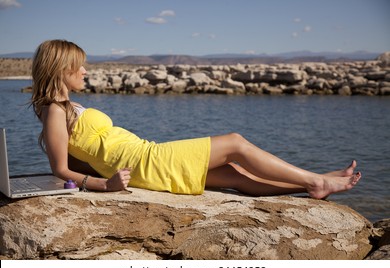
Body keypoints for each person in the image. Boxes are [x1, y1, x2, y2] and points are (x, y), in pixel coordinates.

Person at [30, 40, 361, 198]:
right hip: (147, 161)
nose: (86, 70)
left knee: (233, 174)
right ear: (62, 69)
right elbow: (60, 169)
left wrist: (101, 173)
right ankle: (316, 181)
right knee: (235, 143)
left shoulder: (64, 107)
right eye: (80, 65)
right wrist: (106, 185)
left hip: (147, 157)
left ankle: (309, 184)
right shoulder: (55, 112)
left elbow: (85, 158)